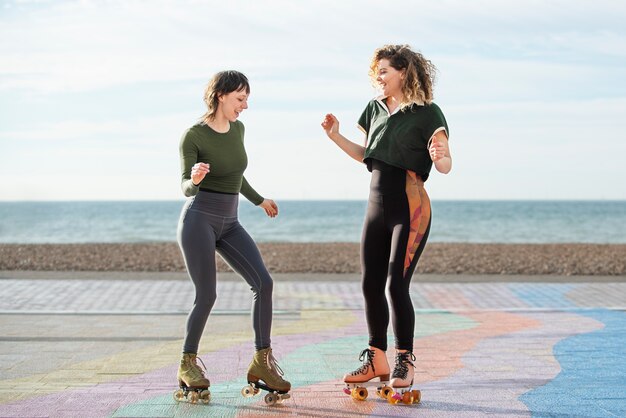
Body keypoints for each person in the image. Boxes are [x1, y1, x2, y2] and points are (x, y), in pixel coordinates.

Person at [321, 45, 452, 395]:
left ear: (404, 73)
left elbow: (444, 163)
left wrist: (440, 157)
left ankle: (404, 359)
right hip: (375, 205)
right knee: (369, 283)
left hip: (410, 205)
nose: (378, 78)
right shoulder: (374, 109)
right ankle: (376, 356)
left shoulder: (428, 113)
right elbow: (367, 154)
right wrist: (335, 136)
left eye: (384, 71)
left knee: (396, 284)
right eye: (376, 72)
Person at [175, 70, 290, 402]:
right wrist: (194, 178)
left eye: (247, 99)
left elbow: (236, 175)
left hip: (230, 221)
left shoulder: (238, 129)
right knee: (207, 295)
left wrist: (260, 200)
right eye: (241, 98)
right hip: (199, 220)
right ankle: (187, 363)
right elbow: (185, 186)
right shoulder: (193, 136)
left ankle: (262, 362)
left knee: (263, 283)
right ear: (221, 95)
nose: (245, 106)